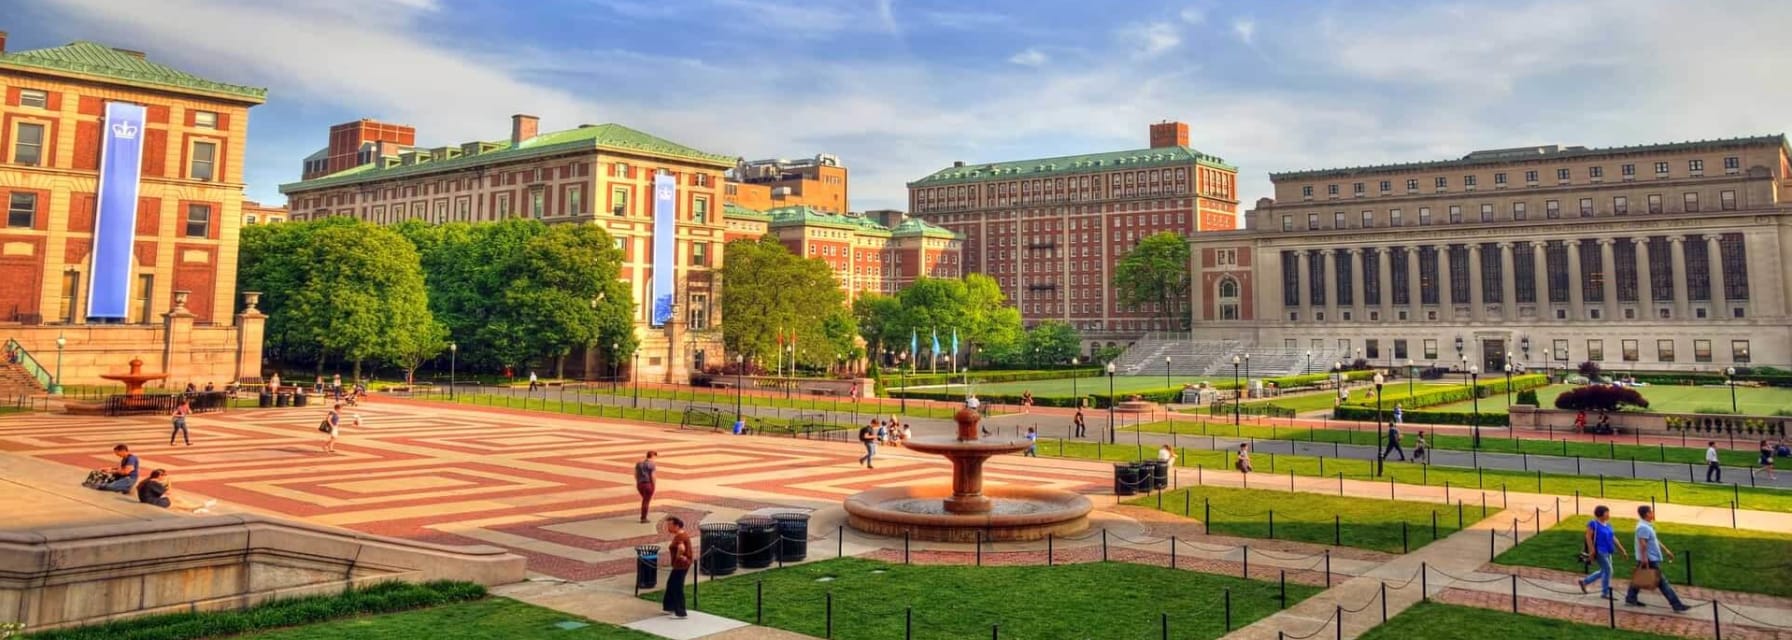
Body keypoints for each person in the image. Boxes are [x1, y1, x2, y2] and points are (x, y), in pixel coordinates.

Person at [1625, 505, 1690, 612]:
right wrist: (1645, 559)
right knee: (1663, 583)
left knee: (1639, 577)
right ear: (1647, 514)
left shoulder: (1647, 526)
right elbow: (1643, 544)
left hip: (1649, 558)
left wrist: (1666, 551)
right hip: (1649, 559)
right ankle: (1676, 605)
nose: (1653, 513)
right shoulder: (1643, 527)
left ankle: (1630, 598)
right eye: (1651, 512)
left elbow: (1654, 540)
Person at [1577, 505, 1627, 599]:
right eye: (1606, 512)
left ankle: (1584, 582)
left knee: (1604, 570)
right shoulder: (1593, 523)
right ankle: (1605, 593)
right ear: (1600, 514)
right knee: (1608, 570)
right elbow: (1588, 537)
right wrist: (1592, 550)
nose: (1608, 514)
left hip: (1608, 550)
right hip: (1599, 551)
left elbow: (1613, 538)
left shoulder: (1608, 525)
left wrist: (1622, 550)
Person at [662, 515, 693, 619]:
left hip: (681, 565)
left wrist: (678, 557)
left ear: (677, 526)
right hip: (681, 565)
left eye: (669, 525)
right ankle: (669, 607)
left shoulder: (680, 537)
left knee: (676, 587)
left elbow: (681, 548)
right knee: (671, 584)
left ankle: (680, 612)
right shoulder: (681, 535)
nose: (668, 527)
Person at [635, 451, 658, 524]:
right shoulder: (652, 464)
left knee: (645, 499)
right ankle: (643, 518)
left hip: (640, 484)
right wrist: (654, 485)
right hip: (648, 484)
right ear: (653, 456)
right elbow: (652, 476)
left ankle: (644, 516)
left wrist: (638, 482)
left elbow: (635, 474)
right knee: (646, 501)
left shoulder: (639, 464)